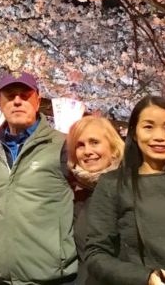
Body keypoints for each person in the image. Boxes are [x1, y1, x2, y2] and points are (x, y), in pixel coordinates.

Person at [85, 95, 165, 285]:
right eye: (148, 127)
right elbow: (96, 253)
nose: (159, 136)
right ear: (134, 133)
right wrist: (145, 277)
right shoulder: (113, 185)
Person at [0, 72, 78, 284]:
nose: (17, 101)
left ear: (38, 101)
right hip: (1, 279)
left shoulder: (62, 146)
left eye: (25, 95)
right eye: (10, 96)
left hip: (51, 278)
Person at [65, 116, 124, 285]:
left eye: (94, 142)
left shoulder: (129, 188)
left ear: (113, 148)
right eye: (80, 145)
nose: (87, 151)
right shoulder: (75, 195)